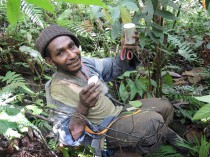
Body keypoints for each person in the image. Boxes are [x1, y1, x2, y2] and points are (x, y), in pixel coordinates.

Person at [35, 24, 184, 156]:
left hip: (118, 111)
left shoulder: (86, 64)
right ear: (50, 61)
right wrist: (82, 108)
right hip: (103, 130)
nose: (72, 55)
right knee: (153, 123)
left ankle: (145, 140)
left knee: (165, 106)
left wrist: (126, 50)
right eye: (60, 53)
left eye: (71, 46)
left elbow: (114, 66)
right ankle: (117, 150)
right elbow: (67, 137)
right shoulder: (57, 89)